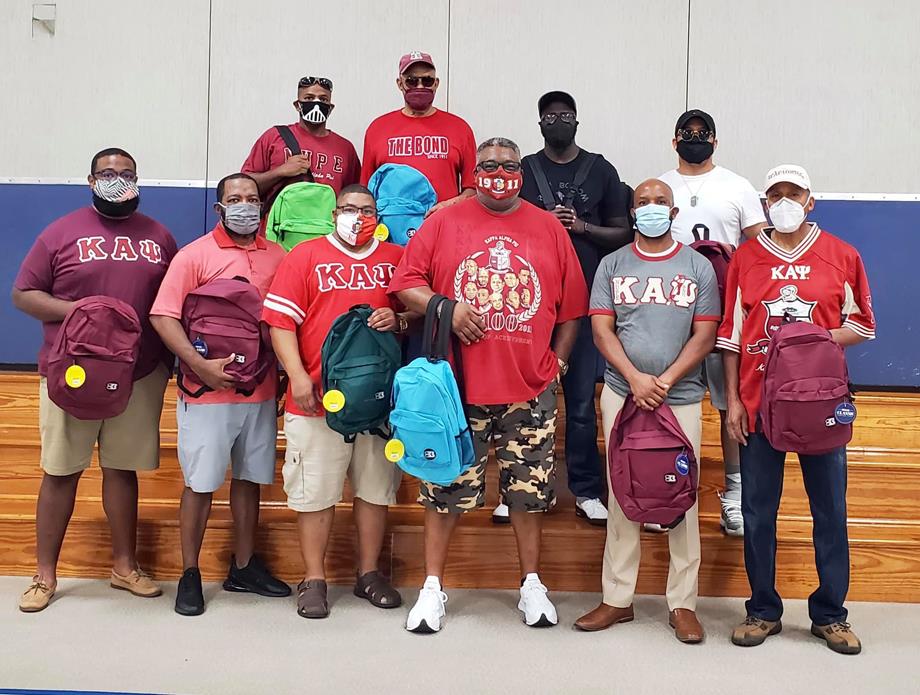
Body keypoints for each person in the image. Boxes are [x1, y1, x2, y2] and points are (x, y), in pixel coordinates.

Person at [389, 137, 588, 633]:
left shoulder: (546, 227)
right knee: (444, 494)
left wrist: (558, 365)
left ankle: (531, 586)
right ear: (474, 170)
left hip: (529, 390)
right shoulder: (444, 220)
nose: (499, 172)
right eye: (489, 165)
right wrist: (447, 309)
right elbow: (406, 283)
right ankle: (432, 588)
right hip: (457, 393)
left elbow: (571, 309)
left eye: (509, 165)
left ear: (522, 170)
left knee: (529, 496)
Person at [718, 165, 876, 655]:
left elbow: (864, 326)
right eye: (775, 194)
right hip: (761, 404)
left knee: (830, 511)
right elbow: (731, 337)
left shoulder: (841, 255)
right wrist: (733, 403)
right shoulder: (746, 257)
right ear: (764, 202)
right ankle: (762, 609)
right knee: (758, 512)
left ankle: (830, 613)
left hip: (821, 404)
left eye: (794, 193)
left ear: (810, 201)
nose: (784, 201)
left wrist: (809, 341)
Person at [13, 148, 177, 612]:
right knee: (61, 471)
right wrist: (83, 312)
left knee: (121, 470)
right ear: (90, 180)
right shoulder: (61, 232)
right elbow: (24, 294)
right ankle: (45, 576)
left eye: (126, 174)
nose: (118, 180)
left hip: (139, 371)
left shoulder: (159, 236)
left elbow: (172, 300)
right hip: (72, 371)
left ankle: (124, 568)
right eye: (108, 173)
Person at [574, 179, 719, 643]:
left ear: (674, 213)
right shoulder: (612, 264)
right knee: (622, 491)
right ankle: (617, 598)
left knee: (683, 494)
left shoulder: (698, 266)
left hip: (681, 396)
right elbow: (601, 330)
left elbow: (704, 335)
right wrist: (636, 380)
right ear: (632, 212)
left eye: (661, 202)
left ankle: (683, 603)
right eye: (643, 203)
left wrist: (666, 380)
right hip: (622, 391)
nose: (651, 208)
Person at [262, 185, 411, 619]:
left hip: (377, 400)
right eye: (348, 209)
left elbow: (419, 308)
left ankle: (368, 574)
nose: (357, 216)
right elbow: (280, 323)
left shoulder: (395, 258)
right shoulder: (305, 256)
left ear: (377, 215)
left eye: (366, 210)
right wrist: (296, 377)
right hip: (315, 398)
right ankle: (314, 578)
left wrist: (399, 317)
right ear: (333, 215)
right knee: (314, 493)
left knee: (374, 489)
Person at [149, 173, 290, 616]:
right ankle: (189, 573)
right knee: (201, 483)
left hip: (261, 390)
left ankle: (244, 566)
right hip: (206, 392)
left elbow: (283, 322)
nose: (245, 205)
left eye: (251, 198)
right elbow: (163, 316)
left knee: (250, 479)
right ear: (219, 208)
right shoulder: (194, 255)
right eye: (235, 199)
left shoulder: (280, 256)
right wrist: (199, 365)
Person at [515, 90, 632, 526]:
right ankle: (521, 489)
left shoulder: (601, 170)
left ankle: (586, 489)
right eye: (550, 116)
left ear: (577, 122)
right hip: (526, 305)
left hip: (584, 306)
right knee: (521, 400)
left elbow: (622, 233)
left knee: (581, 403)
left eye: (566, 115)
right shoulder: (523, 169)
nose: (558, 121)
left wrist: (581, 226)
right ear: (540, 122)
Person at [657, 109, 767, 536]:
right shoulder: (661, 185)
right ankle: (664, 488)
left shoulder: (737, 186)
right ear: (674, 140)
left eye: (704, 134)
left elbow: (760, 247)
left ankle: (735, 494)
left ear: (716, 142)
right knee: (668, 398)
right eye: (687, 133)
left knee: (728, 404)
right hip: (673, 309)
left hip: (726, 309)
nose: (695, 139)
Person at [361, 51, 476, 216]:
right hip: (390, 230)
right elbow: (366, 191)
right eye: (412, 81)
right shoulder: (377, 128)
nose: (420, 86)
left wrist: (448, 206)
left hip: (443, 228)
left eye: (427, 80)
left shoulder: (460, 128)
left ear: (436, 83)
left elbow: (472, 189)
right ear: (400, 84)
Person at [242, 75, 361, 205]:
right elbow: (244, 187)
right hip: (280, 224)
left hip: (326, 224)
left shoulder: (345, 148)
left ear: (330, 108)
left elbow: (354, 196)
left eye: (323, 99)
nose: (317, 103)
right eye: (309, 98)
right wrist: (280, 172)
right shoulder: (274, 136)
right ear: (297, 105)